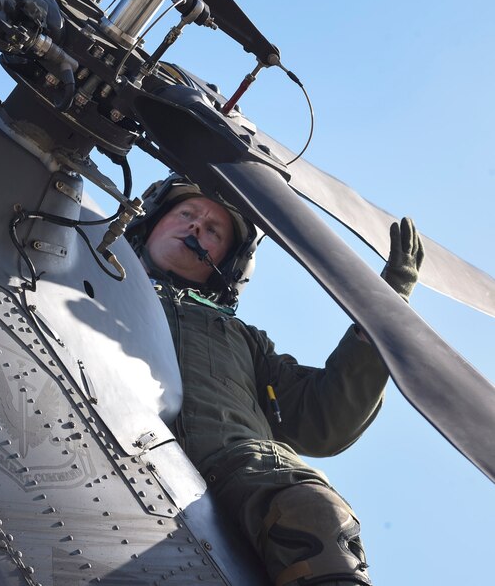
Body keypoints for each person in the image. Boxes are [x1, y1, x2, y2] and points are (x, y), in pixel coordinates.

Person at [125, 175, 424, 586]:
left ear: (226, 263)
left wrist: (382, 314)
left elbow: (323, 419)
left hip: (229, 470)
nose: (196, 227)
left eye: (212, 230)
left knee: (312, 510)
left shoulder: (242, 339)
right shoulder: (74, 271)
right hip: (96, 432)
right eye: (187, 214)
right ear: (150, 223)